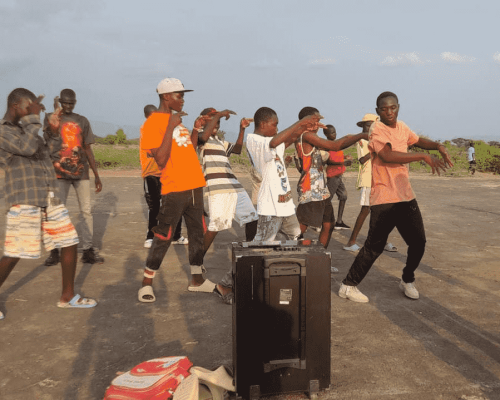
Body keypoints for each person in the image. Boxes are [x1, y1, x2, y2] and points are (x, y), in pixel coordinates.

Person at [338, 91, 453, 303]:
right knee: (374, 247)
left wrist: (437, 145)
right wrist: (423, 156)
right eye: (384, 109)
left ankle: (407, 279)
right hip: (384, 198)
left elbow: (417, 140)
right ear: (377, 111)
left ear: (398, 107)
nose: (389, 112)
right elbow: (387, 156)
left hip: (405, 195)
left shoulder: (402, 127)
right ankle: (348, 286)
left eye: (393, 108)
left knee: (418, 242)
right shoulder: (377, 129)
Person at [0, 88, 97, 321]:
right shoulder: (4, 131)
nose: (33, 111)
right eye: (28, 107)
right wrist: (35, 119)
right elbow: (27, 148)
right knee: (15, 253)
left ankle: (68, 296)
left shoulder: (28, 129)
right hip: (25, 196)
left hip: (48, 195)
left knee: (70, 240)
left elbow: (49, 152)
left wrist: (53, 132)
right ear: (15, 106)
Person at [138, 77, 211, 303]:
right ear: (166, 97)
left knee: (197, 233)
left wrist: (196, 129)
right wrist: (170, 126)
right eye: (179, 96)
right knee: (164, 235)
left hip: (194, 184)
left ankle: (197, 280)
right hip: (174, 187)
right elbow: (160, 159)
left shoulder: (177, 122)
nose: (183, 100)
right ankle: (147, 283)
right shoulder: (152, 124)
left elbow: (187, 148)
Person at [294, 107, 368, 256]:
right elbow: (335, 145)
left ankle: (319, 260)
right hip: (310, 189)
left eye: (319, 121)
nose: (318, 124)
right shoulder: (306, 136)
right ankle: (295, 257)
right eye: (315, 121)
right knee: (301, 227)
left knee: (328, 224)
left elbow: (333, 144)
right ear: (305, 122)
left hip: (321, 189)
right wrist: (362, 135)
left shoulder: (311, 137)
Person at [43, 89, 104, 265]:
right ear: (60, 102)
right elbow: (46, 140)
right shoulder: (50, 118)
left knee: (86, 211)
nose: (68, 106)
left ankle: (88, 250)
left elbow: (87, 149)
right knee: (54, 211)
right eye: (65, 103)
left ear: (75, 103)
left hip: (81, 173)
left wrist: (97, 175)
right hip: (57, 173)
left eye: (71, 103)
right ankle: (54, 251)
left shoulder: (82, 121)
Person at [196, 108, 258, 257]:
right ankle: (197, 261)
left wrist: (241, 129)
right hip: (218, 190)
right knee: (216, 226)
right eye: (214, 122)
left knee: (252, 217)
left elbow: (236, 149)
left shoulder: (219, 141)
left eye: (218, 122)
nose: (217, 125)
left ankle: (249, 253)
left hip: (234, 186)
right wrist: (218, 115)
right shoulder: (200, 138)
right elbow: (202, 138)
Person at [343, 114, 398, 253]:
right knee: (365, 211)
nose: (370, 128)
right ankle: (351, 241)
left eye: (372, 125)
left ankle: (381, 241)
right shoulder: (363, 140)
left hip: (380, 179)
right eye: (367, 126)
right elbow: (362, 159)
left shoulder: (377, 140)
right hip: (369, 180)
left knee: (382, 212)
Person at [140, 104, 188, 249]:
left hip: (167, 172)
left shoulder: (164, 129)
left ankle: (176, 235)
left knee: (175, 204)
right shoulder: (147, 129)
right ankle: (150, 236)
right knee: (154, 206)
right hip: (151, 173)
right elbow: (153, 151)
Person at [322, 124, 352, 230]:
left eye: (335, 132)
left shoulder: (337, 145)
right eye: (332, 132)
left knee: (343, 196)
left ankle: (339, 221)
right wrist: (344, 162)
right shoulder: (327, 146)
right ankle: (322, 222)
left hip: (339, 176)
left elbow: (337, 156)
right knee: (327, 200)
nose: (335, 134)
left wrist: (345, 157)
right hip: (333, 176)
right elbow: (328, 160)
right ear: (326, 134)